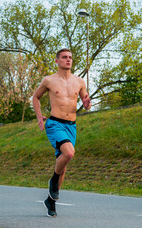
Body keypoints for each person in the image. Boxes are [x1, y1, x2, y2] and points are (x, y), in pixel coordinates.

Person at [32, 48, 91, 217]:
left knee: (63, 166)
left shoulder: (79, 81)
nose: (68, 60)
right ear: (57, 61)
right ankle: (53, 182)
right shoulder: (48, 80)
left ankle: (51, 201)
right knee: (69, 153)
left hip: (71, 125)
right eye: (64, 57)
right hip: (55, 123)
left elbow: (86, 103)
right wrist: (38, 117)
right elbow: (36, 97)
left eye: (70, 57)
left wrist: (87, 104)